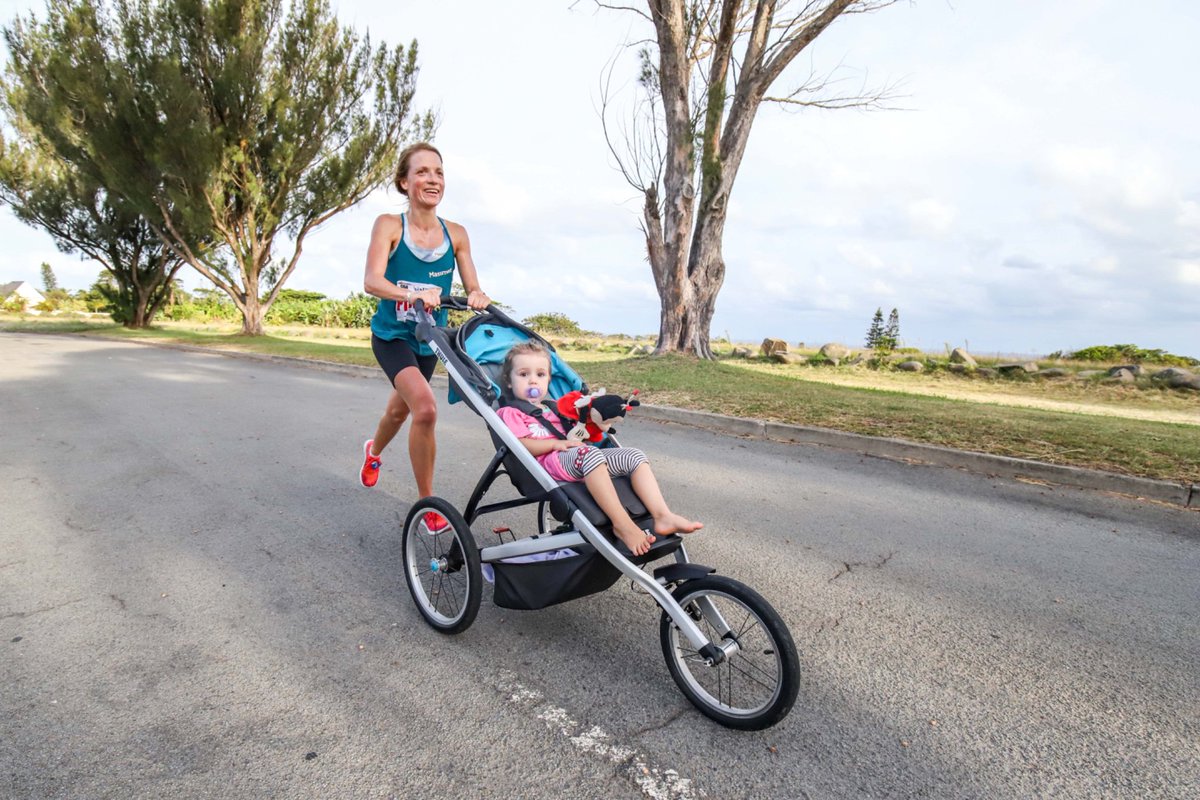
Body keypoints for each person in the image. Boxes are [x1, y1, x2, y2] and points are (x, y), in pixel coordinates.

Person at [360, 142, 490, 522]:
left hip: (429, 340)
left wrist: (478, 296)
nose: (432, 179)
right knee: (426, 408)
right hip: (391, 338)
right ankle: (428, 503)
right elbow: (372, 281)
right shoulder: (389, 225)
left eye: (438, 172)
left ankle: (373, 451)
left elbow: (473, 289)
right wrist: (414, 293)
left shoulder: (458, 234)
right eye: (422, 172)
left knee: (400, 411)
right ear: (404, 182)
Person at [495, 342, 702, 556]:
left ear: (548, 379)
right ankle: (622, 524)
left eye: (540, 374)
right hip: (548, 462)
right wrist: (556, 444)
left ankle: (662, 516)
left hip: (577, 456)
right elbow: (520, 444)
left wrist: (599, 422)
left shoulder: (554, 407)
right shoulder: (511, 412)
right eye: (523, 374)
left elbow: (583, 427)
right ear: (509, 382)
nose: (532, 380)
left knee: (634, 456)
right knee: (590, 455)